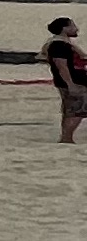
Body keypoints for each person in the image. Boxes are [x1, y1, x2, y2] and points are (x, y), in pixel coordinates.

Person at [47, 18, 87, 146]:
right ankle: (66, 138)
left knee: (71, 110)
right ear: (65, 28)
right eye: (73, 26)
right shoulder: (59, 45)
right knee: (78, 110)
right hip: (73, 81)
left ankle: (66, 137)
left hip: (73, 80)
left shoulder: (63, 44)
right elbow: (61, 66)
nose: (76, 29)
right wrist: (71, 84)